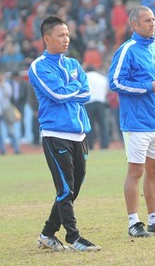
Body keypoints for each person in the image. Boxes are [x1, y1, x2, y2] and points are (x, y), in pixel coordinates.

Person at [108, 6, 155, 238]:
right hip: (136, 123)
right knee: (136, 171)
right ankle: (133, 222)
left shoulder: (154, 49)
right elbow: (115, 82)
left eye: (153, 19)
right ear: (134, 25)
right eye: (147, 20)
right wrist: (146, 88)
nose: (152, 23)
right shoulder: (127, 50)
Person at [28, 15, 100, 252]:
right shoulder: (39, 66)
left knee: (73, 187)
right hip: (55, 134)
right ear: (47, 38)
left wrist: (70, 88)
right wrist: (74, 87)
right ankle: (74, 237)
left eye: (67, 34)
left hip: (79, 135)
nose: (66, 39)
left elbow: (86, 94)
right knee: (65, 189)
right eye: (61, 35)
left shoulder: (73, 64)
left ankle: (48, 233)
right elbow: (56, 95)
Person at [85, 66, 110, 150]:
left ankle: (90, 144)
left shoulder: (85, 76)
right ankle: (105, 144)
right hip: (100, 102)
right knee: (103, 124)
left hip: (88, 102)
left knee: (89, 125)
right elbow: (107, 89)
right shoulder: (101, 77)